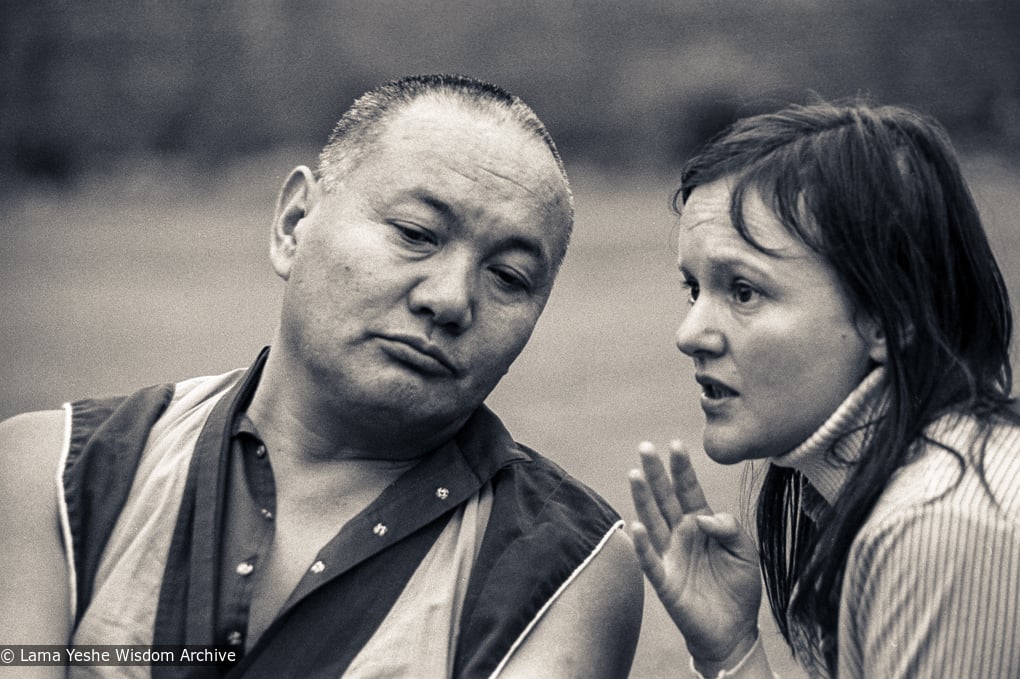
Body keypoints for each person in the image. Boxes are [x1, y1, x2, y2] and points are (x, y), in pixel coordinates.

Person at [0, 74, 643, 678]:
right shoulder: (58, 473)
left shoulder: (564, 564)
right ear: (293, 224)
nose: (449, 299)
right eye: (417, 233)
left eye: (508, 277)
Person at [629, 100, 1020, 678]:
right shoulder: (893, 493)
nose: (690, 334)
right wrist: (730, 652)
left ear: (892, 318)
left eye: (743, 291)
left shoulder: (943, 522)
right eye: (694, 290)